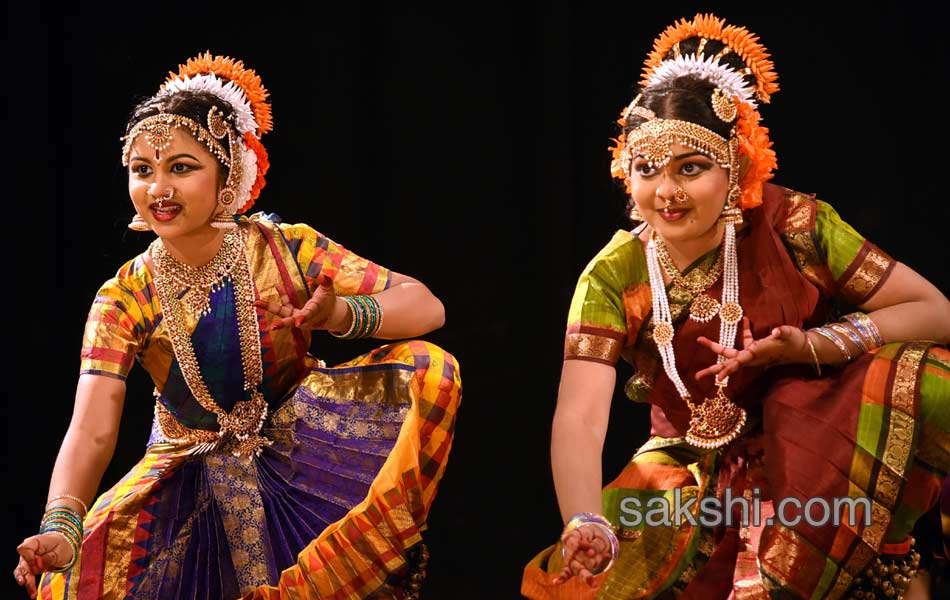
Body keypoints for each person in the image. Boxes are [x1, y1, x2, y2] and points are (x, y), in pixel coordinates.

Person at [522, 14, 950, 600]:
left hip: (815, 435)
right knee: (586, 583)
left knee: (930, 379)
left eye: (689, 169)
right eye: (647, 170)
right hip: (686, 467)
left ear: (737, 169)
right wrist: (584, 520)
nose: (666, 192)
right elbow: (579, 417)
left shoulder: (793, 223)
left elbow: (934, 310)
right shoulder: (613, 275)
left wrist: (813, 346)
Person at [12, 53, 461, 600]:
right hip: (184, 473)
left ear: (228, 174)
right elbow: (92, 428)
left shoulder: (283, 248)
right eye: (142, 170)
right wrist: (61, 525)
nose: (159, 189)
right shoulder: (125, 296)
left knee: (427, 368)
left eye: (181, 167)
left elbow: (426, 306)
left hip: (303, 452)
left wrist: (341, 315)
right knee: (66, 586)